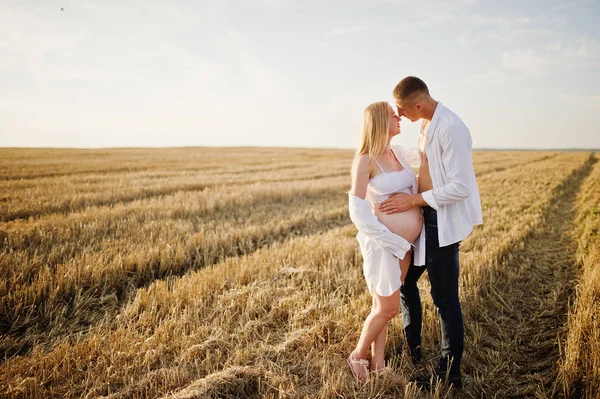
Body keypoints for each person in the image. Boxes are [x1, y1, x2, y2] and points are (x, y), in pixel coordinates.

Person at [379, 76, 483, 388]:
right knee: (408, 280)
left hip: (442, 220)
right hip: (427, 216)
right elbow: (426, 163)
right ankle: (413, 346)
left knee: (445, 297)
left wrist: (412, 199)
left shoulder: (450, 128)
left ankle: (450, 373)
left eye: (402, 110)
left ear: (418, 104)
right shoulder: (428, 123)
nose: (401, 116)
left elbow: (460, 187)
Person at [347, 101, 425, 383]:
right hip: (383, 245)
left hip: (404, 247)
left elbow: (430, 152)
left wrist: (431, 122)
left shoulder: (399, 153)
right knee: (389, 308)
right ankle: (357, 355)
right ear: (380, 121)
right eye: (394, 115)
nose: (399, 117)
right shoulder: (366, 160)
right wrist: (393, 241)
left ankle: (379, 365)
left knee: (382, 308)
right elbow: (357, 211)